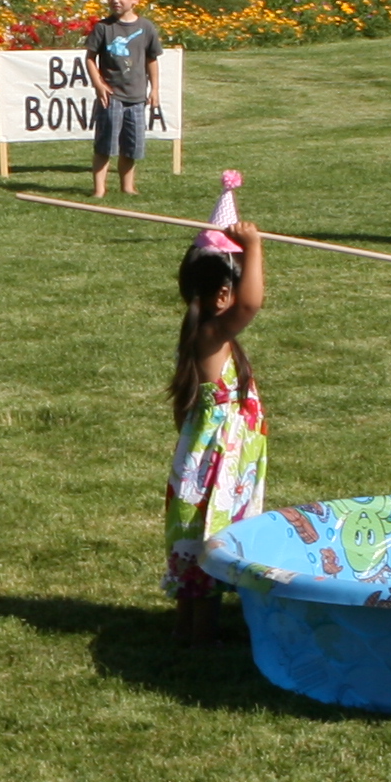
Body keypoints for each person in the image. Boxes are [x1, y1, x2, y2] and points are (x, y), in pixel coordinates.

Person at [166, 192, 268, 642]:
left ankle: (189, 631)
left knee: (204, 540)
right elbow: (251, 305)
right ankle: (200, 637)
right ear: (224, 293)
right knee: (209, 537)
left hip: (215, 460)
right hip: (216, 468)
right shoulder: (211, 333)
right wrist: (254, 246)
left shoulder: (201, 333)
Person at [83, 0, 162, 200]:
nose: (115, 0)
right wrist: (98, 84)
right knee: (105, 144)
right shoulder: (103, 28)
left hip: (136, 96)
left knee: (132, 145)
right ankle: (99, 189)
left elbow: (152, 59)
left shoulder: (146, 28)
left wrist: (155, 89)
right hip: (111, 96)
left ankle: (127, 187)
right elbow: (90, 58)